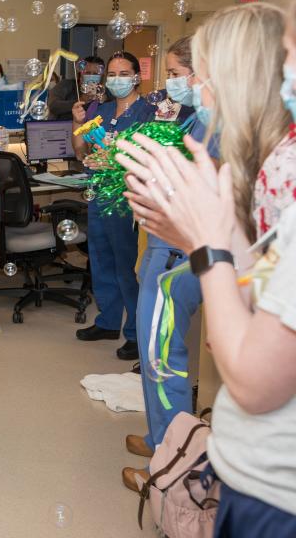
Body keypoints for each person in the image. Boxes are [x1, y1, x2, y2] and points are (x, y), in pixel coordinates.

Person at [116, 0, 295, 536]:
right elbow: (262, 291)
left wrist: (208, 247)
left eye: (203, 78)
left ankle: (170, 451)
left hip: (275, 489)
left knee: (164, 340)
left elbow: (254, 375)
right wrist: (197, 239)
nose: (200, 92)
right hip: (257, 471)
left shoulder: (282, 170)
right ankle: (171, 446)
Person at [120, 37, 216, 493]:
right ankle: (165, 439)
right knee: (157, 351)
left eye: (176, 74)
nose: (171, 83)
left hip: (179, 252)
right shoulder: (199, 119)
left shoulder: (215, 126)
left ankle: (171, 470)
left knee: (163, 357)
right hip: (169, 243)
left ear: (201, 75)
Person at [71, 51, 154, 360]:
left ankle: (134, 331)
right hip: (99, 191)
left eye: (124, 73)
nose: (117, 79)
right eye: (113, 74)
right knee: (101, 259)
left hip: (127, 196)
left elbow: (146, 155)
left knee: (126, 265)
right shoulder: (101, 110)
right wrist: (76, 122)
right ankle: (107, 321)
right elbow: (80, 150)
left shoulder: (148, 112)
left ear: (136, 76)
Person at [47, 56, 106, 121]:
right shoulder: (66, 85)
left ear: (101, 77)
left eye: (95, 74)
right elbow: (53, 106)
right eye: (87, 73)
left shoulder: (106, 92)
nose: (91, 76)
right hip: (62, 128)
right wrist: (81, 100)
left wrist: (105, 103)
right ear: (80, 75)